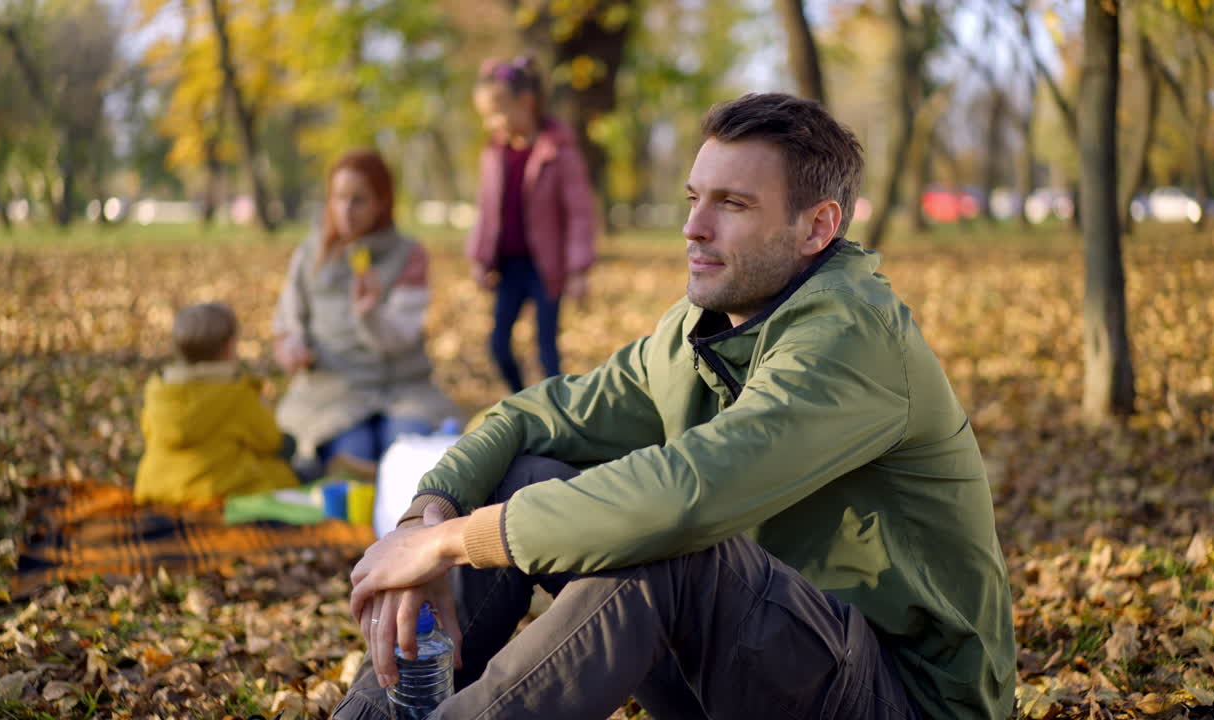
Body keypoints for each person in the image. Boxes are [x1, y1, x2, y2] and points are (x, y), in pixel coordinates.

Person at [335, 94, 1016, 720]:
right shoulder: (701, 329)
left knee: (675, 550)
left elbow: (689, 496)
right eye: (694, 197)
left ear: (817, 228)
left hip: (899, 699)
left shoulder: (852, 338)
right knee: (526, 474)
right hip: (759, 665)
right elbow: (532, 416)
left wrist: (453, 544)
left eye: (733, 204)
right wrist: (427, 519)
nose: (693, 226)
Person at [273, 149, 456, 477]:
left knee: (406, 455)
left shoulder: (408, 254)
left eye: (359, 200)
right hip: (332, 390)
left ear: (382, 202)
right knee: (354, 455)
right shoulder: (310, 253)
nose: (346, 210)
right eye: (339, 198)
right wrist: (292, 350)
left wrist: (370, 314)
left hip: (402, 389)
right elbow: (287, 323)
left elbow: (401, 336)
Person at [469, 55, 597, 393]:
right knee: (498, 345)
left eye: (496, 113)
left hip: (546, 268)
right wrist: (480, 258)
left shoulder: (559, 152)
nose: (491, 123)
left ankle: (558, 414)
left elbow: (580, 213)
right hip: (508, 269)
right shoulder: (494, 155)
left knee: (546, 350)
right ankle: (522, 403)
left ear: (525, 102)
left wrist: (579, 269)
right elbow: (486, 210)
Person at [135, 302, 296, 505]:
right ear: (229, 347)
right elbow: (270, 441)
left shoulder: (159, 391)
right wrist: (262, 406)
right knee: (288, 450)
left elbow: (148, 429)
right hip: (217, 492)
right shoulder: (236, 393)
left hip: (158, 488)